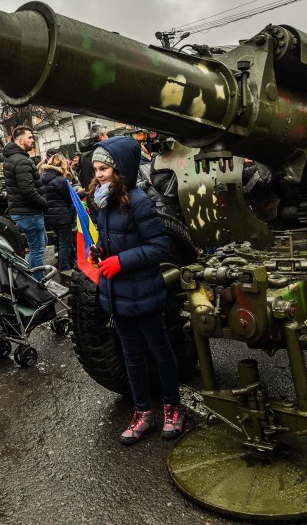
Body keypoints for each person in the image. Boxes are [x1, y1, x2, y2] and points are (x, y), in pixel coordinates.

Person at [88, 136, 184, 444]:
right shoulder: (104, 201)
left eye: (104, 168)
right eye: (96, 169)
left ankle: (172, 408)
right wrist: (99, 251)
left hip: (143, 293)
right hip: (118, 295)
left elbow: (159, 246)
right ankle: (143, 412)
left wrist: (120, 262)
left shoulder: (139, 202)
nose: (98, 174)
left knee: (159, 350)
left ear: (121, 170)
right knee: (131, 356)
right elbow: (111, 241)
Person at [3, 125, 49, 269]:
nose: (32, 140)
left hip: (24, 212)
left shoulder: (12, 158)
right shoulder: (22, 161)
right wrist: (44, 204)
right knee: (37, 250)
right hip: (29, 213)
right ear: (21, 141)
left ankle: (34, 278)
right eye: (30, 137)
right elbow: (28, 191)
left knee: (40, 246)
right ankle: (37, 283)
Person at [39, 152, 78, 271]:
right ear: (62, 164)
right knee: (64, 244)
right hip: (62, 216)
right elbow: (69, 198)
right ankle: (65, 269)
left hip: (50, 217)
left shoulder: (43, 179)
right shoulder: (60, 180)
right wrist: (80, 193)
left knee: (65, 241)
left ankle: (72, 262)